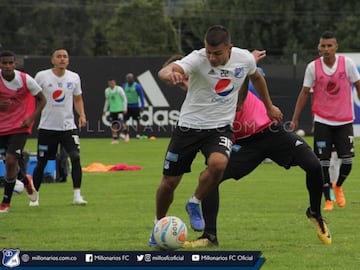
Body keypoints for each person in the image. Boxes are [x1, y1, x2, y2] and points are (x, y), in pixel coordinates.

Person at [149, 25, 282, 247]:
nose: (211, 57)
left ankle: (194, 202)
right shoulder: (197, 58)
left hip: (220, 127)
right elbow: (166, 70)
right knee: (169, 182)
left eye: (217, 53)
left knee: (219, 163)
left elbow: (257, 77)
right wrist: (170, 73)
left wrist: (269, 107)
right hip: (189, 127)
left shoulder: (244, 59)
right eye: (208, 52)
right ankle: (157, 225)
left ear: (229, 48)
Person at [183, 78, 331, 247]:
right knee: (210, 177)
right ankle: (209, 236)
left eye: (188, 79)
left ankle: (315, 213)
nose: (187, 84)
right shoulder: (199, 107)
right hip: (245, 145)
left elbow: (240, 93)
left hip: (272, 132)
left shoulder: (222, 78)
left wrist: (247, 66)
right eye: (183, 82)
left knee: (313, 165)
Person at [291, 31, 360, 211]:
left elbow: (358, 85)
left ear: (336, 47)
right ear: (319, 48)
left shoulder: (348, 64)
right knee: (323, 162)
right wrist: (295, 118)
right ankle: (328, 198)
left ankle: (338, 186)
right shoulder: (313, 67)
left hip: (344, 120)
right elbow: (305, 92)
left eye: (330, 46)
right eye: (323, 46)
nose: (326, 49)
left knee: (347, 161)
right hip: (322, 121)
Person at [31, 48, 87, 206]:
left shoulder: (74, 77)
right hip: (47, 128)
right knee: (42, 161)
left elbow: (78, 99)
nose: (62, 59)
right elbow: (33, 97)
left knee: (75, 157)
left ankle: (77, 195)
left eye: (65, 57)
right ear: (52, 60)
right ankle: (35, 197)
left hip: (68, 127)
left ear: (68, 60)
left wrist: (82, 115)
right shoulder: (42, 76)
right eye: (59, 56)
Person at [0, 50, 46, 212]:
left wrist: (31, 118)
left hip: (21, 126)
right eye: (3, 63)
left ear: (15, 64)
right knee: (9, 163)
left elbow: (42, 99)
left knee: (11, 160)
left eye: (9, 63)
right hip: (2, 127)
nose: (7, 66)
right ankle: (26, 181)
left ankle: (5, 203)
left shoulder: (25, 80)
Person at [103, 78, 128, 144]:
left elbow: (124, 98)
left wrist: (125, 108)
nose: (111, 84)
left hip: (120, 109)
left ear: (114, 82)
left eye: (112, 82)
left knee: (122, 123)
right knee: (113, 125)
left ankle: (126, 135)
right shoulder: (107, 91)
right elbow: (107, 101)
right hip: (112, 110)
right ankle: (115, 139)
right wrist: (105, 110)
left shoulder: (119, 89)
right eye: (110, 83)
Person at [123, 73, 145, 139]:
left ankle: (138, 134)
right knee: (124, 121)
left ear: (133, 78)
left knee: (137, 120)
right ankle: (125, 133)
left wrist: (142, 106)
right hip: (127, 107)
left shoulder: (137, 86)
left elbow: (141, 96)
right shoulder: (124, 86)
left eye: (130, 78)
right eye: (128, 78)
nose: (129, 79)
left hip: (135, 106)